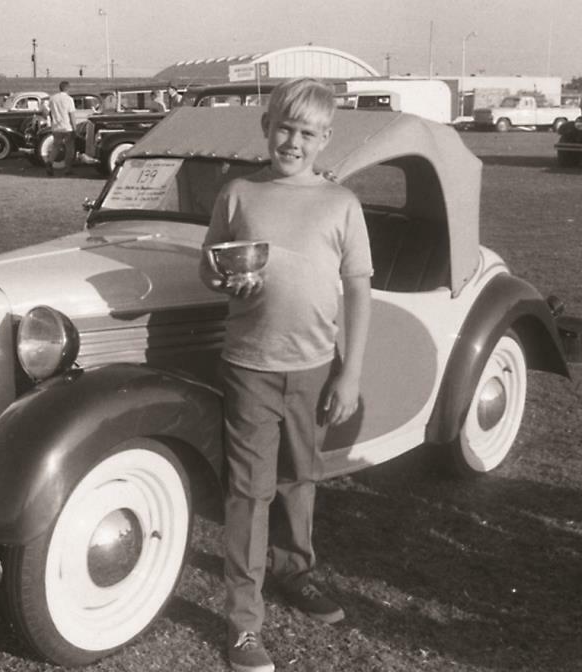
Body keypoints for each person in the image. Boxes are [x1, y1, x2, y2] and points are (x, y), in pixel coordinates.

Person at [198, 77, 373, 672]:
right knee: (250, 492)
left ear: (325, 138)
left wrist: (349, 375)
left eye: (306, 132)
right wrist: (223, 279)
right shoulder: (239, 192)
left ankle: (295, 571)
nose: (292, 141)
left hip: (315, 368)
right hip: (249, 365)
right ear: (265, 127)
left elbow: (357, 292)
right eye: (284, 128)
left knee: (301, 478)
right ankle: (244, 624)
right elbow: (210, 266)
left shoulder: (341, 203)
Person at [45, 80, 76, 176]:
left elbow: (49, 112)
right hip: (67, 127)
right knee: (69, 148)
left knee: (56, 147)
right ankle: (68, 169)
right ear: (68, 88)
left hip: (56, 127)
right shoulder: (69, 99)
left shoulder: (52, 98)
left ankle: (49, 162)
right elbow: (71, 114)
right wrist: (74, 128)